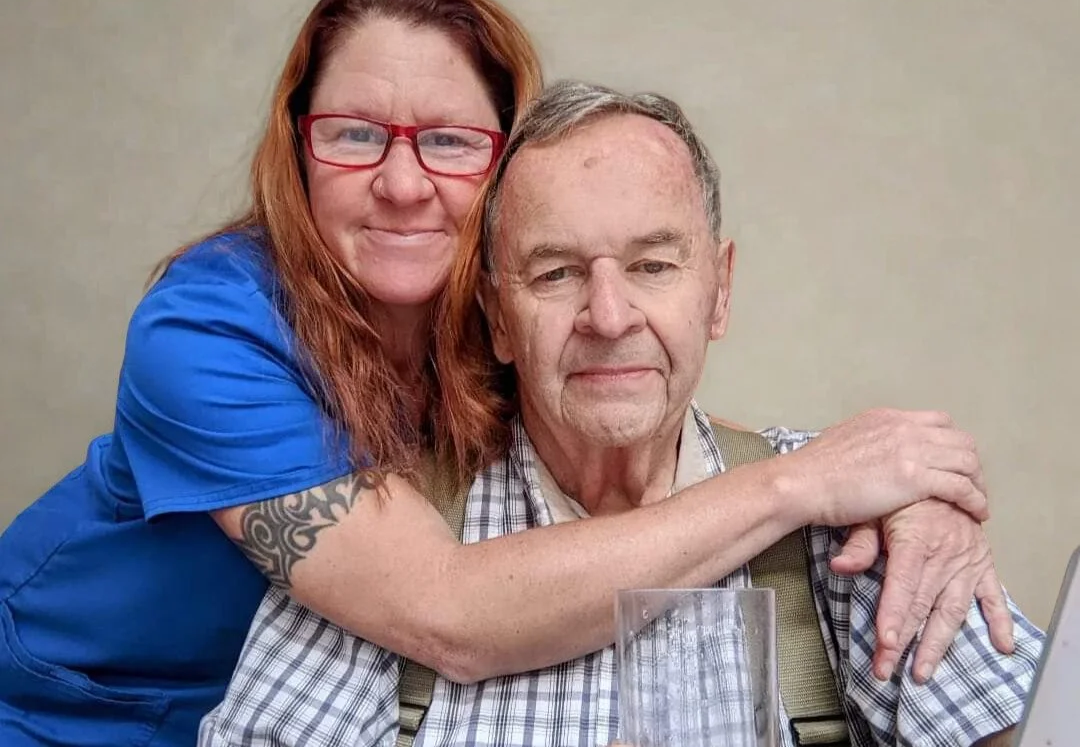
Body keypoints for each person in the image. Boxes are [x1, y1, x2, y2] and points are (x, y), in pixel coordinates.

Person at [0, 0, 1009, 747]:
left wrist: (894, 488)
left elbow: (641, 402)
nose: (403, 183)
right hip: (64, 709)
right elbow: (445, 611)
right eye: (354, 133)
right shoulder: (209, 332)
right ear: (297, 146)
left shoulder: (490, 318)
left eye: (448, 140)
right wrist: (805, 483)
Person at [199, 81, 1043, 747]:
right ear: (497, 317)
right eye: (557, 272)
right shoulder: (389, 534)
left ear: (719, 290)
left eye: (652, 265)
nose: (609, 317)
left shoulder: (855, 517)